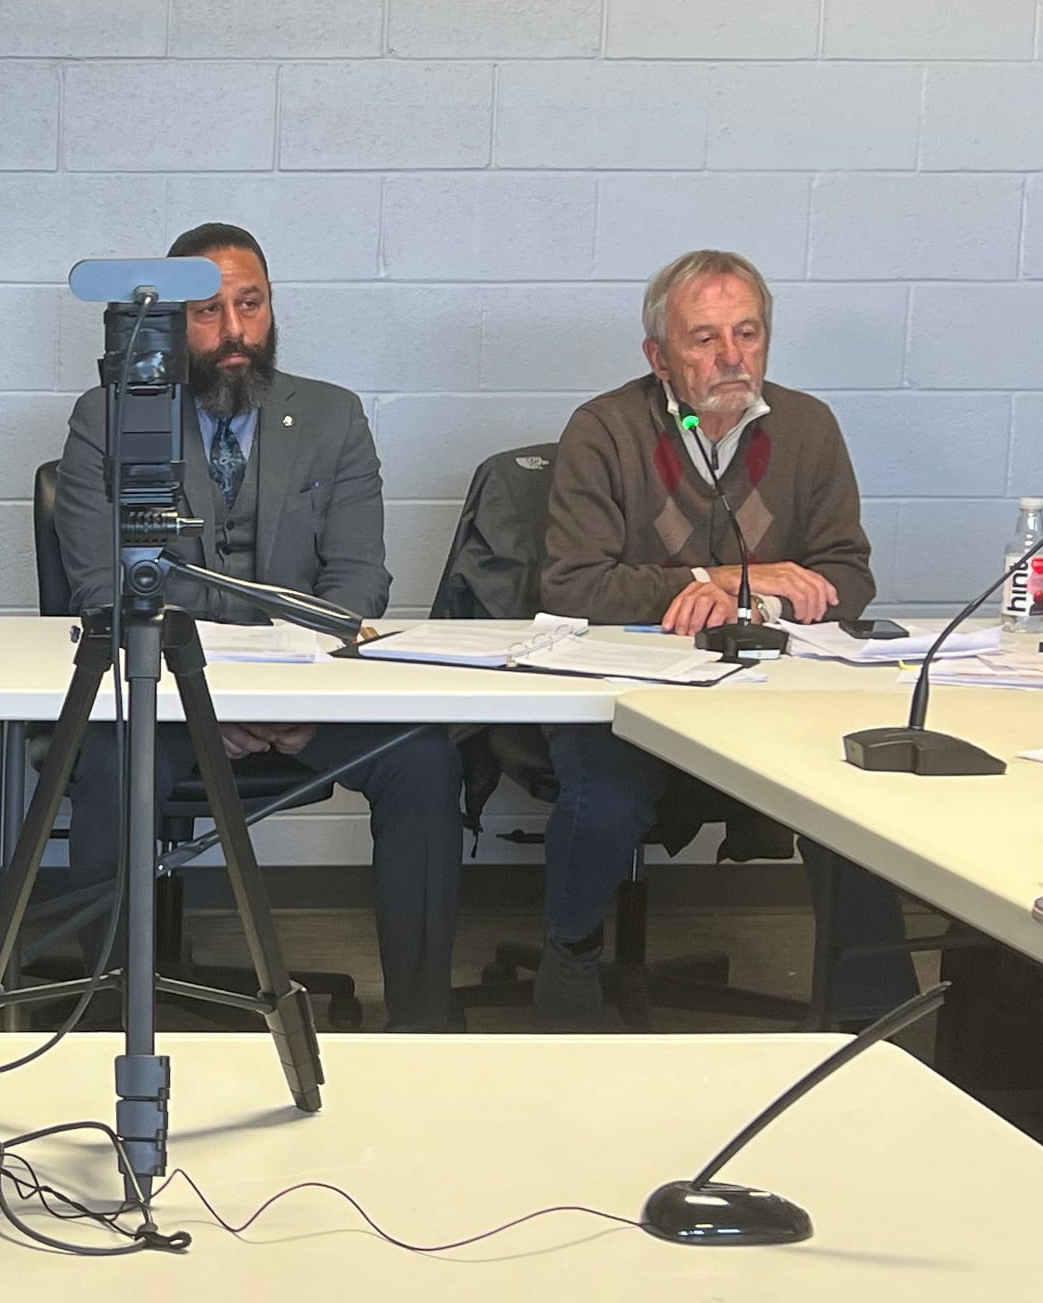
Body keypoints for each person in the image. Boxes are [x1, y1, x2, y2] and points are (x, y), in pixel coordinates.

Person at [54, 224, 465, 1031]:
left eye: (251, 305)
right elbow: (104, 589)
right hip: (173, 698)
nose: (235, 331)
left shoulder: (332, 418)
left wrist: (293, 684)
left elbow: (357, 581)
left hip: (306, 694)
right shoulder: (108, 419)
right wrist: (217, 695)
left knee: (422, 763)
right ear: (170, 320)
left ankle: (422, 1024)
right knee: (104, 766)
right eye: (208, 311)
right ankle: (102, 1020)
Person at [533, 248, 914, 1028]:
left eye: (747, 332)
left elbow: (850, 576)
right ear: (658, 356)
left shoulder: (806, 427)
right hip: (627, 693)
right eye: (703, 338)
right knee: (603, 793)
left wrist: (759, 601)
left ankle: (874, 1007)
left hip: (768, 696)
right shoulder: (604, 429)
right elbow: (573, 585)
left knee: (850, 785)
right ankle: (567, 961)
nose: (731, 356)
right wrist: (706, 582)